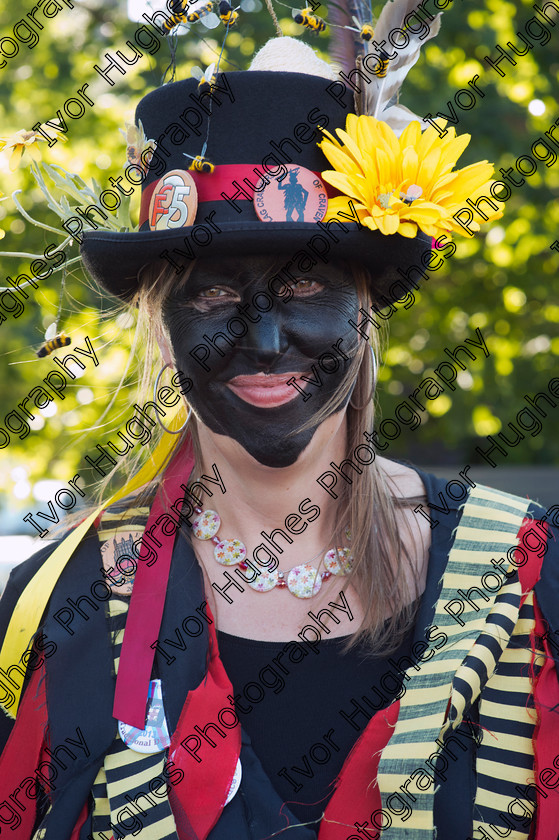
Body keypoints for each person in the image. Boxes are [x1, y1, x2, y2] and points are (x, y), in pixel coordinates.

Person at [0, 26, 558, 840]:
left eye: (303, 287)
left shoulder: (522, 577)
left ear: (364, 313)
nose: (262, 344)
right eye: (215, 298)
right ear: (162, 330)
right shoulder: (64, 599)